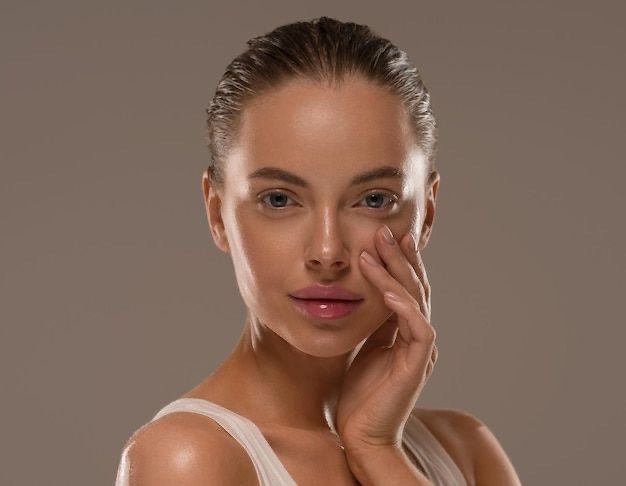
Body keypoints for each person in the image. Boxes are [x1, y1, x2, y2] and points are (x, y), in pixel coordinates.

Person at [115, 16, 521, 485]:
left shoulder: (464, 449)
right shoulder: (188, 458)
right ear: (216, 213)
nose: (327, 253)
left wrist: (377, 450)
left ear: (425, 214)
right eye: (279, 199)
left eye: (373, 200)